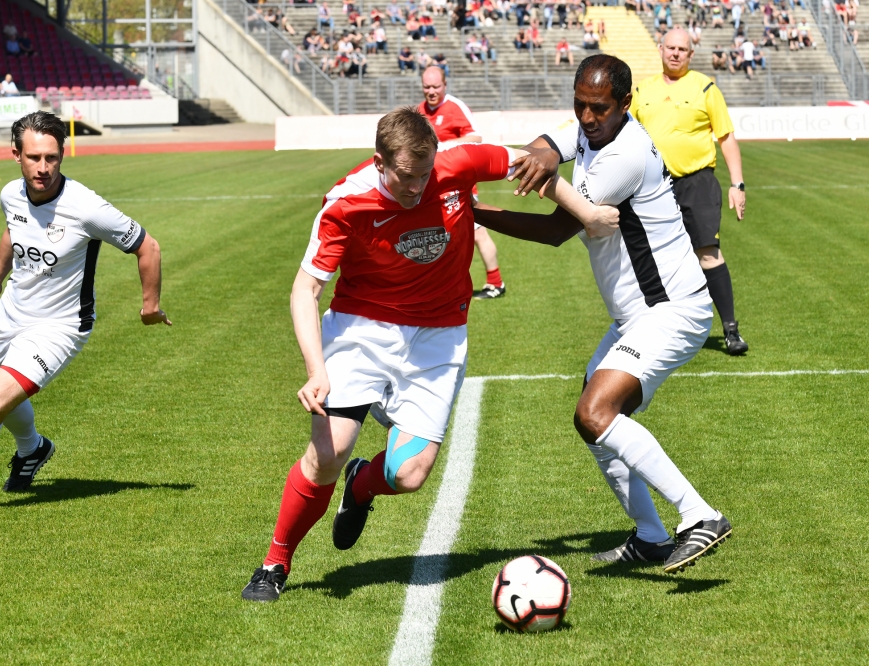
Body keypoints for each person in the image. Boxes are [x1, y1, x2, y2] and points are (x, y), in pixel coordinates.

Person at [239, 106, 614, 602]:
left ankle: (362, 487)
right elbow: (305, 289)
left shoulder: (454, 164)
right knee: (327, 453)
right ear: (380, 162)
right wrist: (315, 370)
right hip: (361, 329)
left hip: (440, 334)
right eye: (406, 177)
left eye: (425, 175)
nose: (418, 188)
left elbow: (532, 162)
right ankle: (275, 562)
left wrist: (585, 213)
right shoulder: (345, 203)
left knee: (408, 474)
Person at [481, 54, 734, 573]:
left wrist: (470, 213)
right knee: (593, 421)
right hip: (636, 316)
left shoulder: (628, 153)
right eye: (579, 105)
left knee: (595, 412)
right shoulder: (588, 128)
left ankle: (700, 515)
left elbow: (556, 229)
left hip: (674, 311)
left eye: (599, 108)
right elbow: (542, 150)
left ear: (624, 104)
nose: (588, 116)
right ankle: (650, 535)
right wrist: (536, 156)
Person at [0, 112, 171, 517]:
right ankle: (34, 449)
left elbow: (147, 246)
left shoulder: (86, 207)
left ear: (63, 154)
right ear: (16, 155)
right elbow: (13, 233)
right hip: (12, 312)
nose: (44, 168)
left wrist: (149, 306)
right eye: (34, 157)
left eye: (52, 157)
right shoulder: (11, 194)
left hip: (60, 326)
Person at [629, 28, 749, 354]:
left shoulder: (706, 87)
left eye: (683, 49)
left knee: (707, 252)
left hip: (698, 181)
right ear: (660, 49)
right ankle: (656, 329)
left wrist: (737, 184)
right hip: (654, 185)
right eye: (671, 47)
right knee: (653, 257)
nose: (676, 53)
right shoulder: (642, 91)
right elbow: (627, 138)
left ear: (691, 54)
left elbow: (725, 137)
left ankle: (730, 330)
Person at [418, 66, 508, 299]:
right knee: (436, 236)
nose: (431, 91)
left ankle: (496, 283)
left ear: (445, 85)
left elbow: (476, 138)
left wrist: (443, 147)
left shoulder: (455, 107)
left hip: (459, 185)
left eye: (436, 86)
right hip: (431, 187)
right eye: (427, 87)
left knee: (477, 233)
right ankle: (435, 286)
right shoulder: (419, 111)